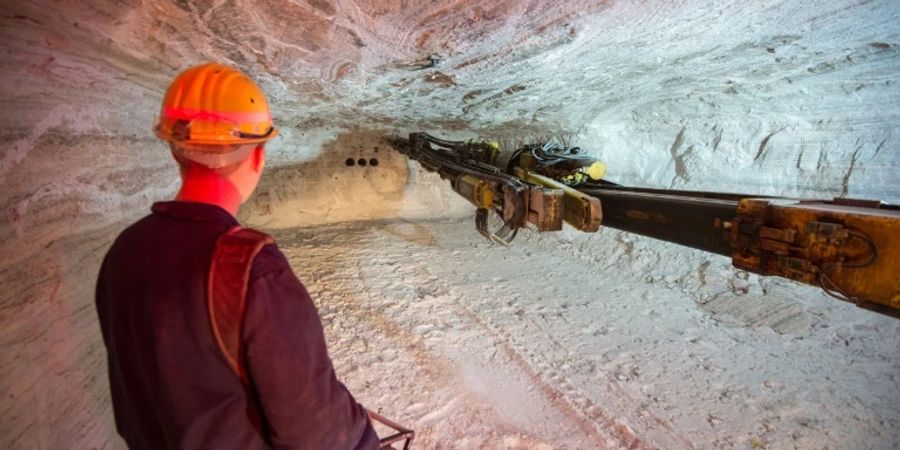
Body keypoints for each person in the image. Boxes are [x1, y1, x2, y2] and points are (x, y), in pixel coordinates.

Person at [95, 63, 379, 450]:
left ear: (176, 152)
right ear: (258, 156)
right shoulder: (250, 269)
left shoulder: (125, 250)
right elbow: (317, 431)